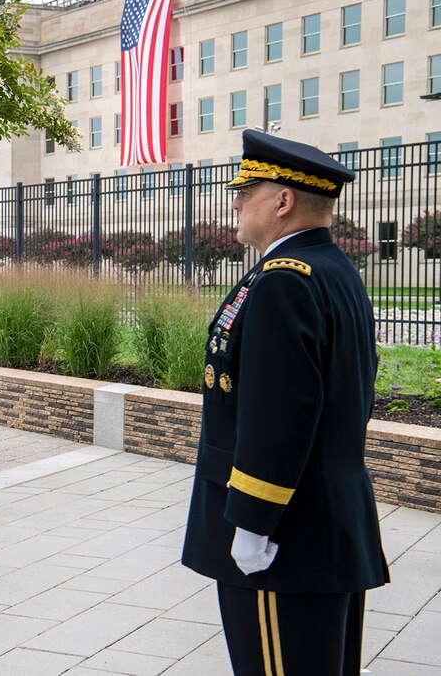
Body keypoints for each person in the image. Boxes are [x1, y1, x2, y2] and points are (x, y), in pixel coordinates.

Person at [181, 129, 389, 675]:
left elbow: (281, 413)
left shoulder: (285, 281)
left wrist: (252, 524)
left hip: (285, 536)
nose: (236, 201)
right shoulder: (334, 270)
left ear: (283, 200)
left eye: (247, 192)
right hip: (324, 519)